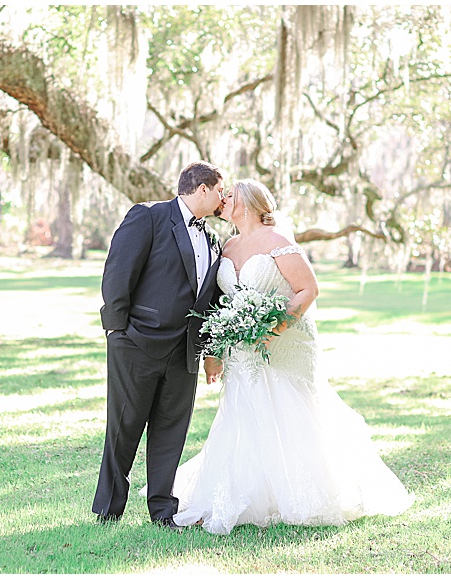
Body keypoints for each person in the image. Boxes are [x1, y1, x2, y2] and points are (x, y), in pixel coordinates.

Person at [170, 178, 414, 535]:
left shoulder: (279, 243)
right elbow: (222, 302)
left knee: (288, 410)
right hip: (242, 351)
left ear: (250, 203)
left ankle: (301, 492)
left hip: (282, 345)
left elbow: (308, 289)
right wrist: (219, 349)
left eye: (230, 195)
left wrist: (272, 330)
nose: (222, 199)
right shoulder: (227, 245)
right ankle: (245, 492)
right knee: (244, 413)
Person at [92, 161, 227, 531]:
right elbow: (118, 273)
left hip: (185, 352)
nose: (223, 198)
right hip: (135, 345)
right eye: (220, 191)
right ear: (202, 189)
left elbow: (210, 298)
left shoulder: (214, 240)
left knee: (171, 432)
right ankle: (108, 508)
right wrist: (118, 332)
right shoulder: (149, 216)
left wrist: (210, 347)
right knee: (124, 427)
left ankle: (163, 510)